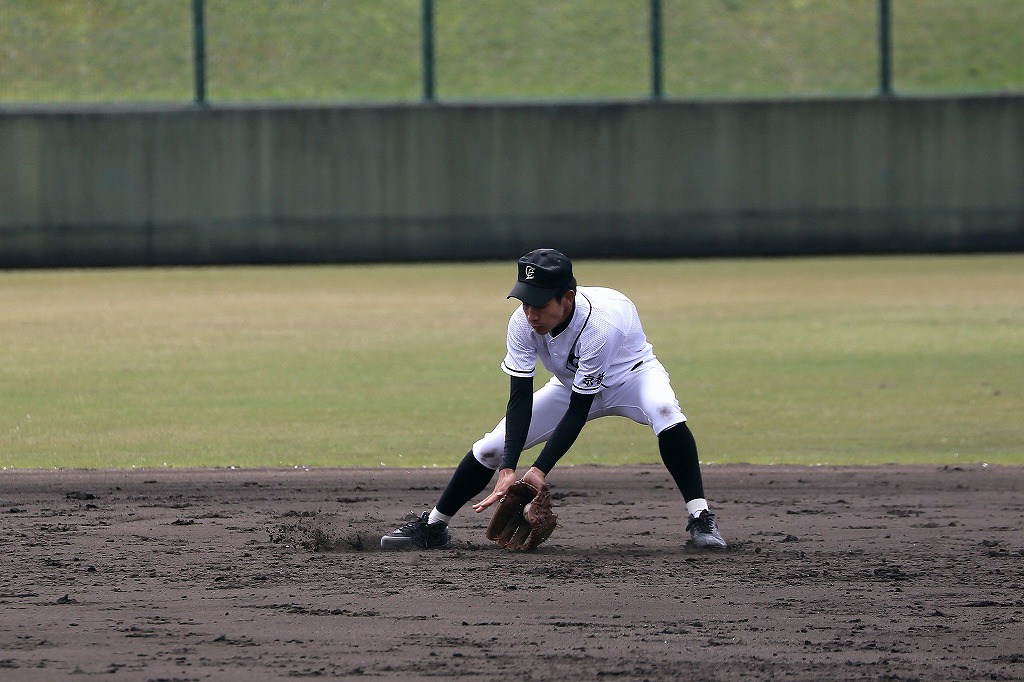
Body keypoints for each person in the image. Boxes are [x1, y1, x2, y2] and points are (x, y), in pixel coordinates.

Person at [381, 248, 726, 550]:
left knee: (665, 411)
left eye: (540, 304)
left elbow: (579, 411)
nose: (531, 314)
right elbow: (520, 400)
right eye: (525, 302)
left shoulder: (601, 325)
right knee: (490, 448)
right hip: (569, 384)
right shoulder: (522, 323)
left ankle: (700, 517)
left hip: (632, 378)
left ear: (567, 298)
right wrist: (508, 468)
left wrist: (539, 470)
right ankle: (434, 526)